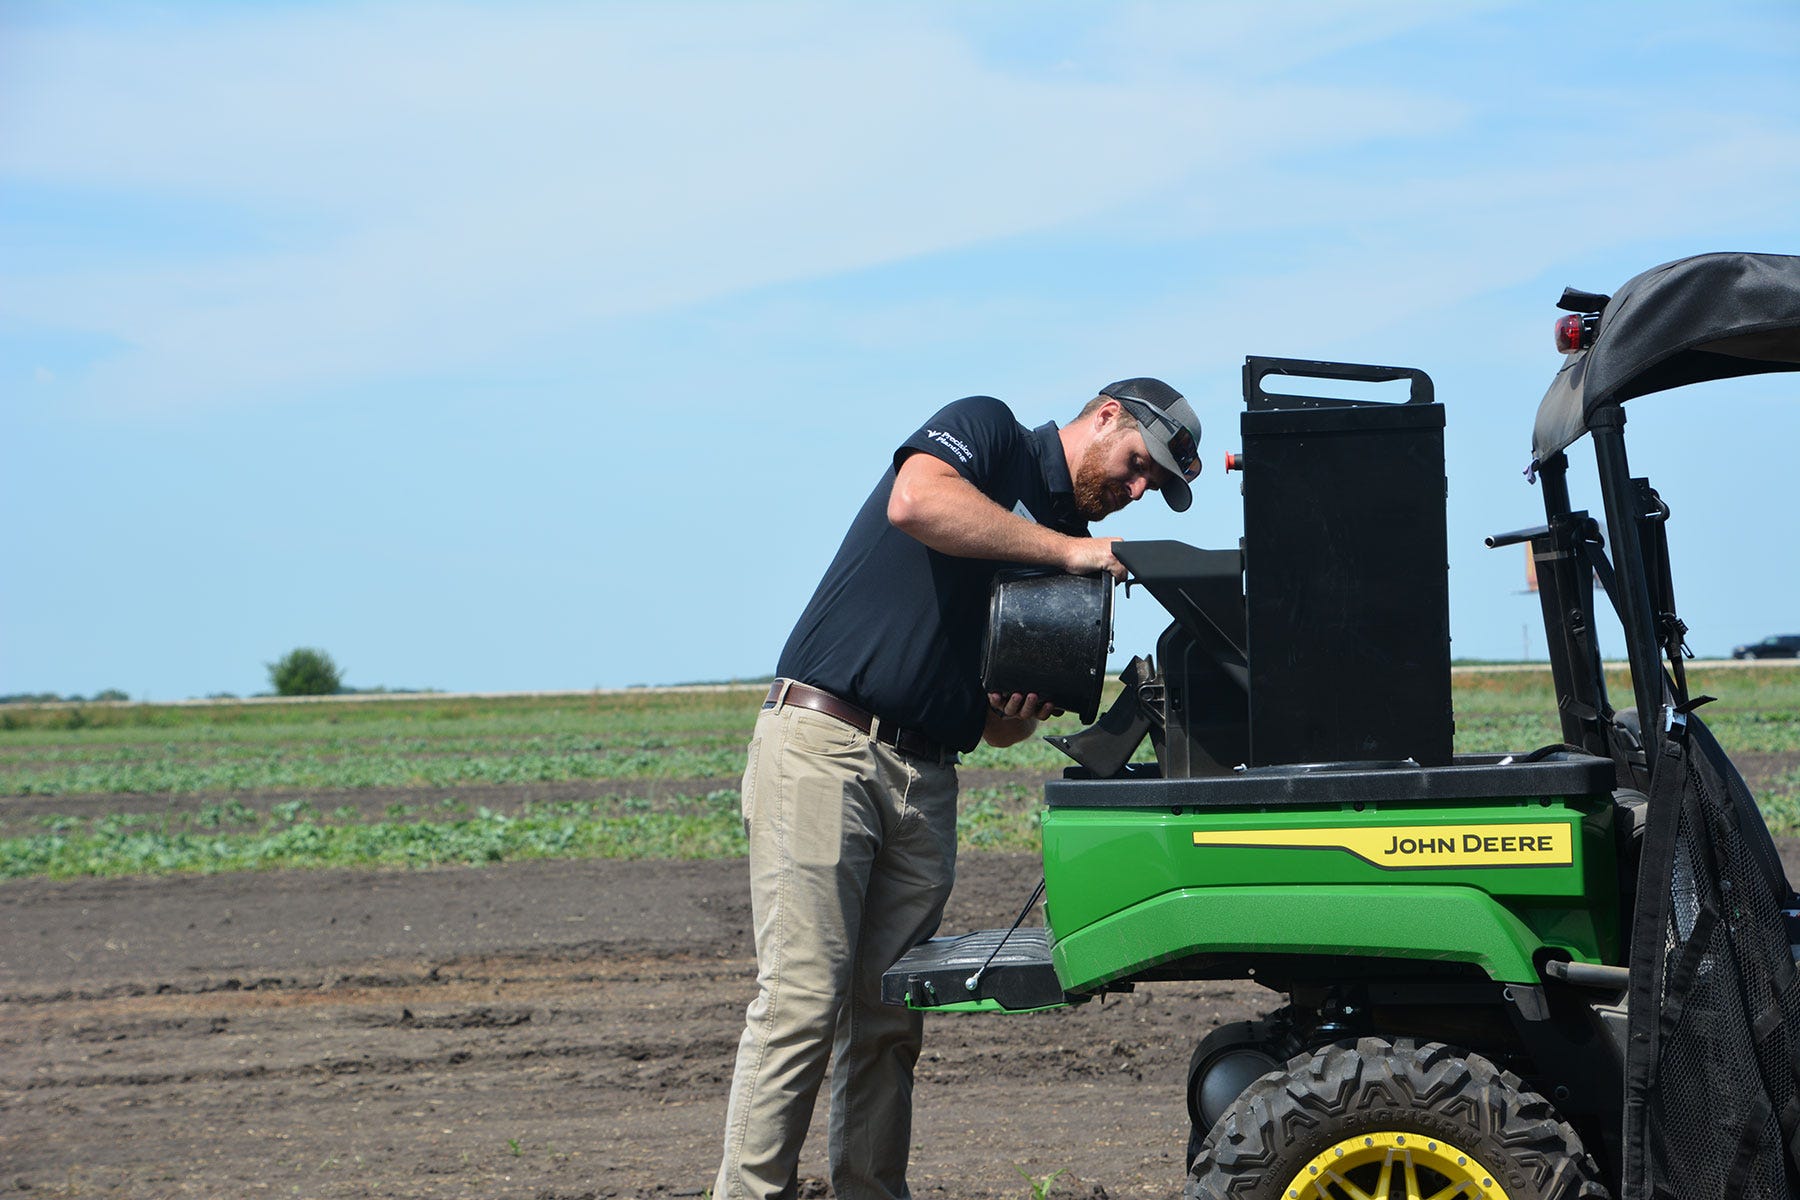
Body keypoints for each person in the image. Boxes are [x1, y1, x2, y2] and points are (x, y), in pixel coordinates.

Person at [713, 378, 1204, 1200]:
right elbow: (915, 503)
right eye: (1137, 466)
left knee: (888, 1017)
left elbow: (995, 725)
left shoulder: (1066, 540)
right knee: (800, 1002)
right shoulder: (991, 433)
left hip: (927, 777)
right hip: (827, 745)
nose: (1137, 489)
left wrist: (1012, 710)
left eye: (1153, 485)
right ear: (1107, 415)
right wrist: (1069, 552)